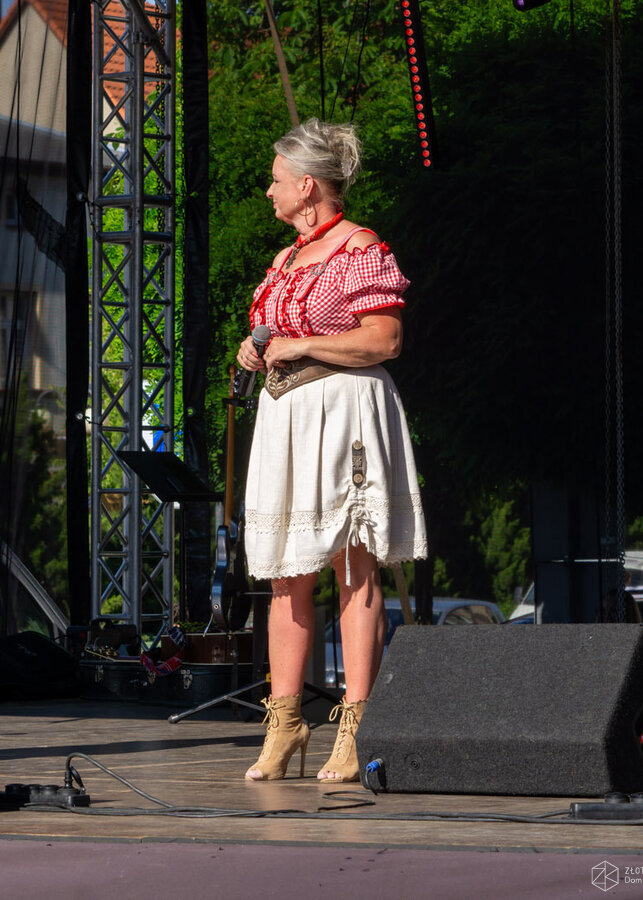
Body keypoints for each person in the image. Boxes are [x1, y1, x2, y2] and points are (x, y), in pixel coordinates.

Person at [236, 120, 428, 784]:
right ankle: (285, 722)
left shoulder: (359, 248)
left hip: (343, 409)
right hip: (287, 416)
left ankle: (356, 723)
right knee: (285, 573)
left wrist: (303, 345)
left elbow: (384, 340)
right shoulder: (286, 259)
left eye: (276, 180)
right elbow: (277, 334)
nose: (269, 192)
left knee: (353, 565)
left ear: (307, 186)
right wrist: (256, 347)